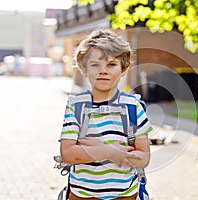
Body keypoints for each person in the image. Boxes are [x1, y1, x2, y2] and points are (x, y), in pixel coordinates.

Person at [60, 30, 152, 200]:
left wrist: (92, 149)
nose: (103, 70)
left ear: (123, 68)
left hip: (124, 195)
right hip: (82, 195)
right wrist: (109, 152)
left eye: (111, 64)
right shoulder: (76, 106)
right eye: (95, 64)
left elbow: (144, 157)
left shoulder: (133, 107)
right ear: (84, 68)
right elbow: (68, 154)